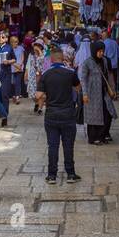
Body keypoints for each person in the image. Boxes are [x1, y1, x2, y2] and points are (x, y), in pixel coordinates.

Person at [36, 46, 81, 184]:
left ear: (51, 59)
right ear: (63, 59)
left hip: (52, 114)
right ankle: (71, 174)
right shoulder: (70, 72)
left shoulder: (46, 74)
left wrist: (45, 99)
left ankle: (52, 176)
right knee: (68, 145)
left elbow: (38, 95)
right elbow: (78, 88)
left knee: (53, 146)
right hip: (68, 113)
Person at [79, 38, 117, 145]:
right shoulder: (87, 63)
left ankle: (103, 135)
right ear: (94, 51)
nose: (101, 53)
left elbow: (109, 76)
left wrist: (112, 90)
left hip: (104, 92)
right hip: (92, 93)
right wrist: (85, 94)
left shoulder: (104, 61)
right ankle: (93, 138)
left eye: (102, 51)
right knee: (94, 117)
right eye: (99, 51)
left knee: (107, 114)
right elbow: (83, 79)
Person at [0, 29, 16, 127]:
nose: (0, 39)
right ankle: (2, 111)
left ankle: (5, 116)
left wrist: (8, 62)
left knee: (5, 95)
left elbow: (14, 59)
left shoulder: (9, 48)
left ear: (6, 39)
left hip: (6, 74)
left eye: (2, 37)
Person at [25, 41, 46, 113]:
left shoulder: (43, 54)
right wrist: (26, 73)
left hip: (41, 75)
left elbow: (43, 60)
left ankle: (40, 108)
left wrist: (39, 51)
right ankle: (36, 103)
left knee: (41, 92)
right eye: (35, 45)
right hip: (32, 75)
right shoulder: (31, 55)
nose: (36, 46)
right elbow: (28, 64)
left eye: (38, 45)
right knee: (32, 93)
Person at [103, 28, 119, 95]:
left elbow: (103, 55)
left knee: (108, 79)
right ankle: (115, 92)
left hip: (107, 65)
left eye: (103, 36)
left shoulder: (104, 43)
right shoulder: (114, 42)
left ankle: (110, 93)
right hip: (115, 65)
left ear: (105, 36)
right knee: (115, 79)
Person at [9, 32, 25, 103]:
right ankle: (13, 96)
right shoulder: (9, 49)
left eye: (17, 42)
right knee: (12, 83)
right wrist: (15, 65)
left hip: (19, 68)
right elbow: (9, 59)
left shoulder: (21, 48)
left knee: (18, 83)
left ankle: (17, 97)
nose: (16, 43)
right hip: (12, 68)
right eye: (14, 42)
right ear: (11, 42)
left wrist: (20, 65)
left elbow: (22, 57)